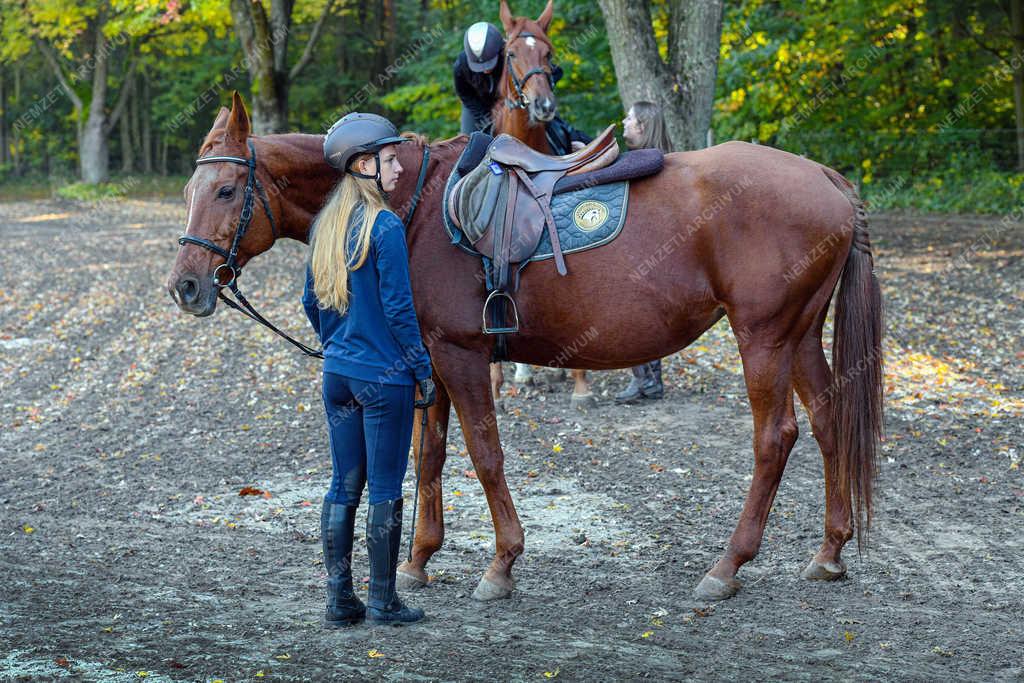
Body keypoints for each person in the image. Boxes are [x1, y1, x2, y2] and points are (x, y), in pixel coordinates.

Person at [304, 112, 437, 627]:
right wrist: (423, 370)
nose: (399, 167)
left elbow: (309, 302)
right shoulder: (384, 225)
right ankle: (382, 600)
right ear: (364, 165)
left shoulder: (323, 225)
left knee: (343, 485)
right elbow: (401, 310)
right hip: (385, 378)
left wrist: (338, 344)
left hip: (337, 376)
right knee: (384, 486)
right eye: (388, 159)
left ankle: (340, 600)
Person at [454, 20, 591, 155]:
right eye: (480, 67)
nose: (486, 71)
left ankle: (573, 143)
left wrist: (536, 91)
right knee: (467, 146)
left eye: (491, 63)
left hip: (512, 99)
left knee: (550, 119)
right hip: (478, 105)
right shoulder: (461, 64)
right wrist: (485, 116)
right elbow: (465, 94)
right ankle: (461, 174)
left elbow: (548, 71)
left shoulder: (512, 52)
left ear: (501, 49)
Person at [614, 101, 674, 404]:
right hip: (652, 249)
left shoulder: (651, 160)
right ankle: (649, 381)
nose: (624, 122)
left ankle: (645, 382)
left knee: (634, 315)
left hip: (652, 252)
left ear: (643, 126)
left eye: (630, 118)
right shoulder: (653, 158)